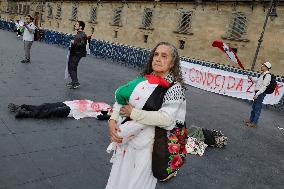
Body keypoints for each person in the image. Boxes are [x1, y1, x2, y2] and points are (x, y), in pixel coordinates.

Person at [106, 42, 186, 189]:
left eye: (164, 56)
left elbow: (167, 119)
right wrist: (113, 119)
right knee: (119, 180)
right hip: (128, 143)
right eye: (156, 54)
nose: (158, 59)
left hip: (149, 148)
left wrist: (133, 113)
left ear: (172, 63)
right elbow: (120, 98)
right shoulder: (143, 80)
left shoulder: (175, 88)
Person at [8, 100, 112, 120]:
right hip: (68, 103)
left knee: (50, 112)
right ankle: (21, 106)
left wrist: (111, 116)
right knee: (45, 105)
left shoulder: (107, 112)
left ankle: (26, 114)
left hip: (72, 111)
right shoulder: (105, 104)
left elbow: (99, 116)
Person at [244, 61, 272, 128]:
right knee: (254, 107)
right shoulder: (263, 74)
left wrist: (257, 94)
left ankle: (254, 123)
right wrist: (249, 76)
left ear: (266, 67)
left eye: (263, 65)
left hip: (260, 93)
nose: (261, 66)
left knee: (257, 108)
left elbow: (264, 86)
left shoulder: (267, 76)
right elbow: (256, 80)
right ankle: (251, 119)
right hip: (258, 92)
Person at [66, 21, 87, 89]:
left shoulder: (83, 34)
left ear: (80, 27)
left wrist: (74, 42)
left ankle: (76, 83)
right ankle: (74, 81)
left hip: (77, 53)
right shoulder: (78, 33)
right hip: (74, 52)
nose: (75, 25)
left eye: (77, 24)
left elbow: (83, 44)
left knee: (71, 68)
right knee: (73, 67)